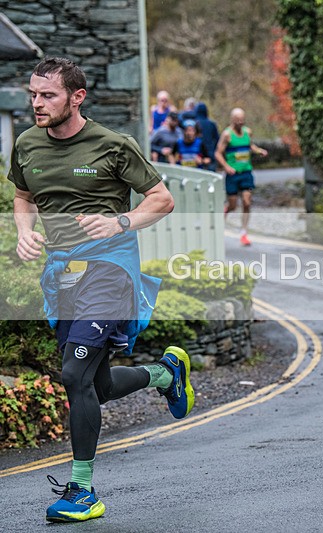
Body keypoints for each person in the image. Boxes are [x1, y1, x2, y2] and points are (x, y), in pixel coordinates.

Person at [7, 57, 194, 522]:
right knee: (97, 384)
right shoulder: (27, 144)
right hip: (62, 274)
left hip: (110, 269)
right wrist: (24, 231)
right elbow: (23, 196)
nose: (37, 103)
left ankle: (83, 491)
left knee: (74, 375)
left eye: (47, 95)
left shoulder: (113, 145)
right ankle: (165, 374)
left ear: (77, 97)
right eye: (33, 94)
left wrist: (119, 222)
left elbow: (162, 199)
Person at [215, 107, 268, 246]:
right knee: (233, 205)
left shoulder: (247, 132)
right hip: (233, 175)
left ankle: (244, 233)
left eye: (242, 120)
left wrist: (259, 151)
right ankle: (225, 211)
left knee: (247, 202)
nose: (240, 122)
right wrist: (226, 167)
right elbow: (218, 153)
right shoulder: (227, 134)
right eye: (238, 120)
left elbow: (251, 146)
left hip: (246, 172)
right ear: (232, 120)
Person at [194, 102, 220, 172]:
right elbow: (217, 140)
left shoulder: (195, 123)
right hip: (211, 155)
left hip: (197, 155)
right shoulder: (212, 124)